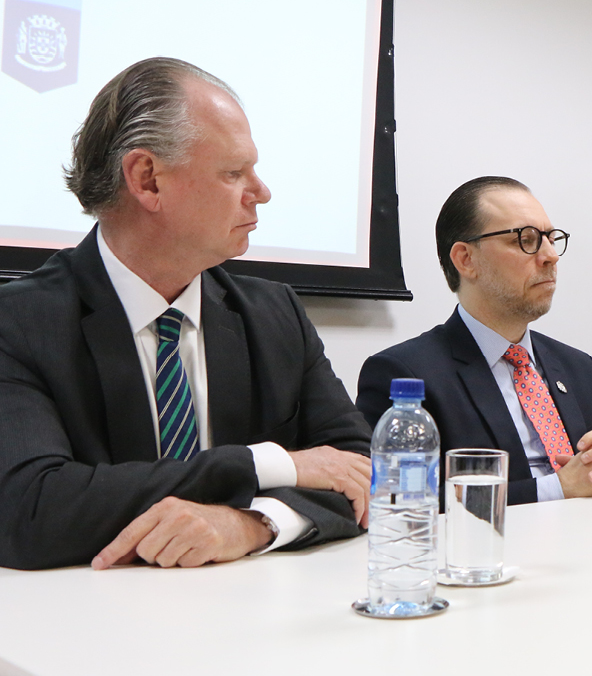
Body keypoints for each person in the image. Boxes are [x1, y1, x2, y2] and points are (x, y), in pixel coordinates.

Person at [0, 58, 372, 571]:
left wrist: (252, 524)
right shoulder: (19, 322)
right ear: (147, 179)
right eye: (233, 173)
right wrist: (271, 463)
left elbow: (360, 472)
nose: (261, 192)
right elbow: (30, 509)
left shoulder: (275, 314)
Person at [356, 177, 592, 505]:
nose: (550, 256)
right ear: (466, 259)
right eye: (527, 239)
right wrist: (558, 488)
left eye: (551, 238)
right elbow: (402, 501)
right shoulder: (405, 374)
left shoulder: (579, 368)